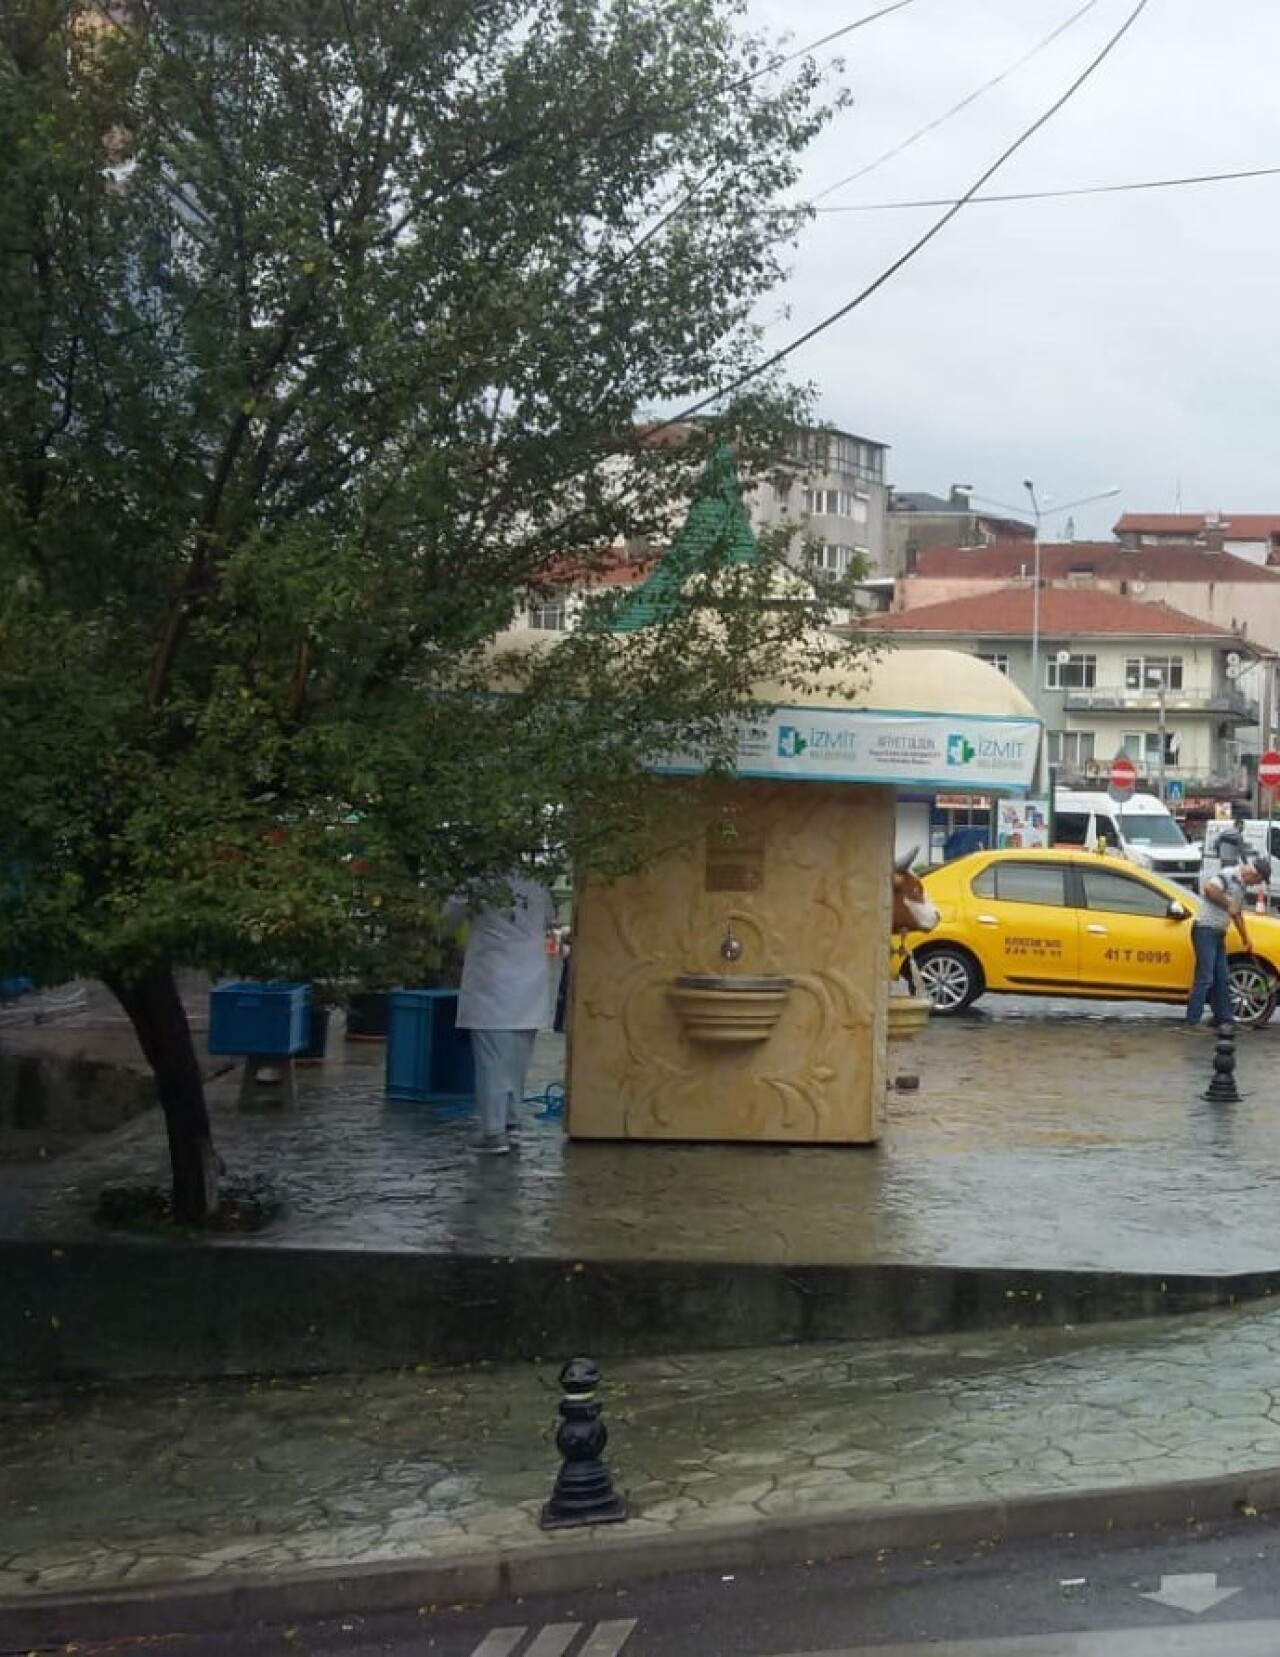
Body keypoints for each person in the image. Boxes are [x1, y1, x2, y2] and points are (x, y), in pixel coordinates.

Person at [444, 870, 556, 1154]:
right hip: (530, 979)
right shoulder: (536, 882)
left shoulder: (477, 879)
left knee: (492, 1062)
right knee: (517, 1060)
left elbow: (447, 918)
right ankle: (512, 1124)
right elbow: (548, 919)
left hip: (493, 981)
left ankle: (493, 1132)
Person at [1185, 853, 1271, 1029]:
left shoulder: (1241, 887)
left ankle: (1225, 1019)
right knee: (1206, 977)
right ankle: (1192, 1021)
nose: (1256, 885)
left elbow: (1236, 913)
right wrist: (1227, 903)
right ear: (1254, 874)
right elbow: (1209, 889)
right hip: (1205, 930)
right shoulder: (1228, 875)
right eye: (1258, 881)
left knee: (1222, 977)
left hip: (1218, 933)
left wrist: (1245, 939)